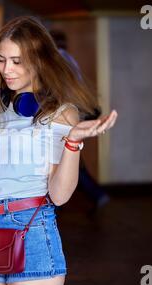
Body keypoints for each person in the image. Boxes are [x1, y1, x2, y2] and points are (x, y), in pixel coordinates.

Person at [0, 17, 118, 285]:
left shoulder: (62, 114)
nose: (6, 69)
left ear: (39, 61)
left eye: (17, 61)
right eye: (2, 60)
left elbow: (60, 196)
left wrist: (72, 141)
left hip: (31, 232)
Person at [50, 30, 111, 213]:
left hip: (63, 116)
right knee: (70, 158)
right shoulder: (69, 59)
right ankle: (97, 195)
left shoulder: (58, 61)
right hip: (72, 114)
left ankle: (94, 195)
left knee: (64, 159)